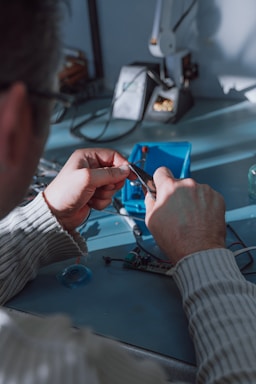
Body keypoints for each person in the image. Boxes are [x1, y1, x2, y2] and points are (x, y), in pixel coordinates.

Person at [0, 1, 256, 383]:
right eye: (55, 101)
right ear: (15, 123)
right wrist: (202, 251)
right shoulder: (64, 369)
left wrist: (49, 213)